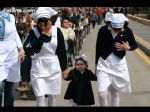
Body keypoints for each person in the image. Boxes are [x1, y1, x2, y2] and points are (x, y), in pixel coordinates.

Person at [27, 7, 67, 107]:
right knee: (40, 96)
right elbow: (36, 49)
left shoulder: (57, 31)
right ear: (37, 22)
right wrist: (43, 34)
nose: (43, 24)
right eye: (40, 22)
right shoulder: (34, 32)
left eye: (45, 21)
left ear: (49, 21)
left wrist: (64, 69)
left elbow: (62, 51)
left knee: (52, 96)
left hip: (53, 66)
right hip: (38, 67)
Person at [95, 13, 137, 106]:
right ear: (110, 23)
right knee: (102, 94)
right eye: (115, 28)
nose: (117, 30)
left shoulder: (127, 31)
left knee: (115, 93)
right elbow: (98, 48)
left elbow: (134, 45)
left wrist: (128, 47)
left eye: (119, 28)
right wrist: (96, 65)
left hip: (118, 65)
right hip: (103, 64)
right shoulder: (103, 30)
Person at [0, 7, 25, 107]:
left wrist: (21, 48)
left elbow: (15, 34)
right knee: (0, 88)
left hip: (12, 56)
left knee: (10, 91)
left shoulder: (11, 17)